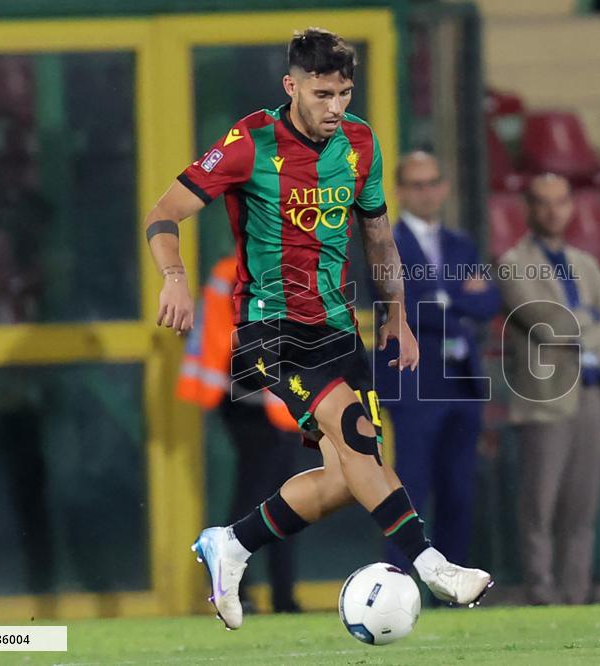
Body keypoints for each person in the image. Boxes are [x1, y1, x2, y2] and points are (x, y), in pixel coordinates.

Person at [142, 27, 492, 630]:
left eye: (345, 93)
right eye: (323, 93)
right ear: (292, 85)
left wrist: (398, 316)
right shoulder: (250, 141)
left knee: (347, 477)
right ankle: (431, 564)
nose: (336, 108)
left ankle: (233, 543)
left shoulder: (360, 144)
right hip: (271, 327)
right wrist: (174, 275)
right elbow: (164, 211)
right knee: (356, 438)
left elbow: (379, 238)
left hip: (336, 327)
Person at [496, 173, 600, 605]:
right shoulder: (514, 262)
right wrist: (588, 317)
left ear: (572, 207)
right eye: (543, 202)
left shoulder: (584, 262)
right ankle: (541, 593)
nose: (554, 211)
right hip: (547, 397)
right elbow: (547, 324)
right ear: (529, 210)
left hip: (592, 392)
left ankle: (575, 595)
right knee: (540, 506)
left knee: (582, 507)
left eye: (561, 202)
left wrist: (580, 324)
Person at [373, 151, 500, 573]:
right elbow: (396, 304)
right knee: (410, 491)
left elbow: (489, 302)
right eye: (417, 184)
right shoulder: (386, 242)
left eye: (432, 183)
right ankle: (399, 584)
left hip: (460, 381)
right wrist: (458, 298)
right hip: (412, 381)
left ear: (444, 187)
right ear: (402, 190)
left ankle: (454, 585)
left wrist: (445, 299)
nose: (426, 193)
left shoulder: (461, 242)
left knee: (458, 491)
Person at [176, 256, 302, 614]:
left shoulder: (288, 271)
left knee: (286, 500)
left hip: (280, 405)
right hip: (249, 403)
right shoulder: (237, 273)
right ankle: (237, 590)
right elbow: (237, 347)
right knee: (260, 497)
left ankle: (280, 596)